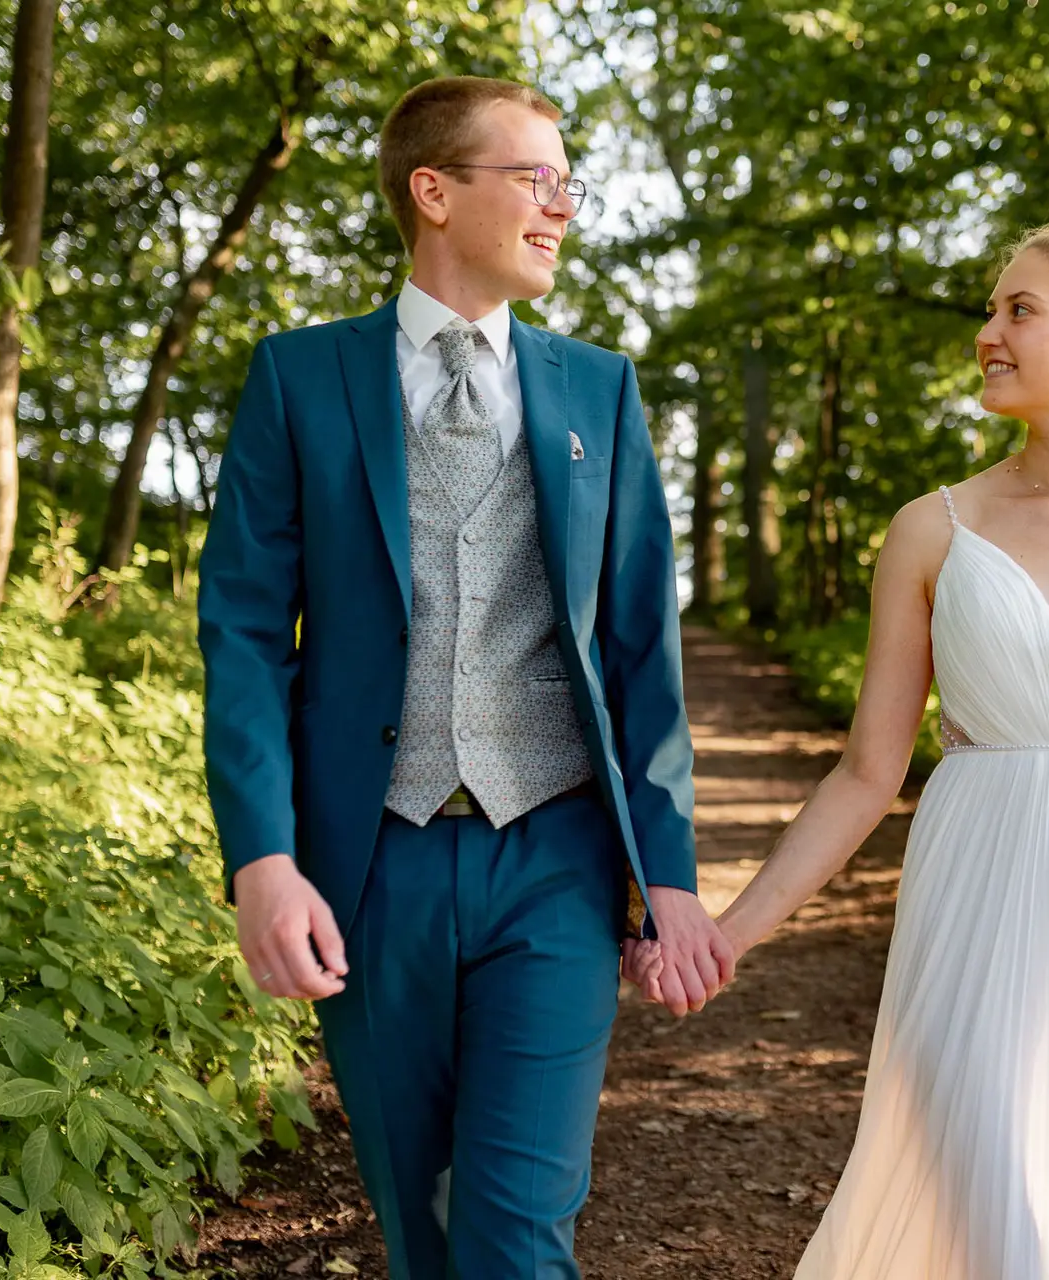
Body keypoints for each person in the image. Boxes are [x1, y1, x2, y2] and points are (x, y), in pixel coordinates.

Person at [632, 221, 1049, 1277]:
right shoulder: (931, 527)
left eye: (1019, 310)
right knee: (998, 1223)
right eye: (991, 310)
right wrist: (733, 932)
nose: (987, 333)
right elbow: (867, 772)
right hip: (976, 899)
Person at [197, 75, 734, 1279]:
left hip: (554, 856)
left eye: (570, 184)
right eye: (538, 179)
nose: (563, 207)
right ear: (434, 192)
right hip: (368, 863)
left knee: (516, 1230)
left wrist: (671, 874)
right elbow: (243, 633)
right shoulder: (300, 377)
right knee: (423, 1229)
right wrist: (263, 859)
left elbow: (641, 648)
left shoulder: (599, 387)